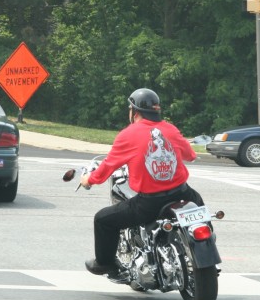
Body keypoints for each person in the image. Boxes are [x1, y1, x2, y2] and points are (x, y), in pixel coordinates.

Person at [80, 88, 205, 279]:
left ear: (134, 111)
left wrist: (88, 179)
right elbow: (191, 155)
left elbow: (108, 166)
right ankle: (205, 242)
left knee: (102, 220)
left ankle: (106, 264)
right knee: (200, 211)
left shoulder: (128, 134)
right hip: (183, 193)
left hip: (150, 204)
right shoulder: (170, 129)